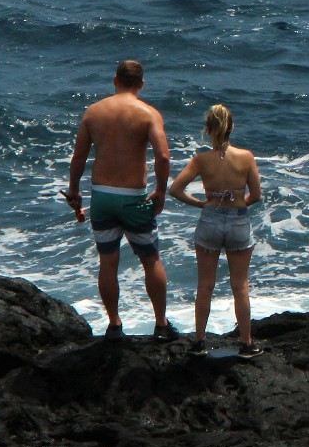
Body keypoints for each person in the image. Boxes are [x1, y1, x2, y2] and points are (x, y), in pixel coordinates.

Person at [62, 59, 177, 341]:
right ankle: (161, 324)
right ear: (141, 84)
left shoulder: (94, 112)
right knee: (150, 259)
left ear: (115, 80)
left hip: (101, 196)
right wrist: (161, 191)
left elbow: (79, 157)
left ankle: (114, 325)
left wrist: (74, 190)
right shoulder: (148, 114)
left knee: (107, 261)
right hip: (133, 199)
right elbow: (162, 156)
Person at [172, 103, 262, 355]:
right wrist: (236, 204)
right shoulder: (245, 157)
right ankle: (246, 343)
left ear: (209, 129)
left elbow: (175, 189)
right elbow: (256, 195)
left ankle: (199, 342)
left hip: (210, 221)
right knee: (240, 286)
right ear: (231, 127)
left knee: (205, 286)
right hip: (238, 222)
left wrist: (202, 203)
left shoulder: (201, 160)